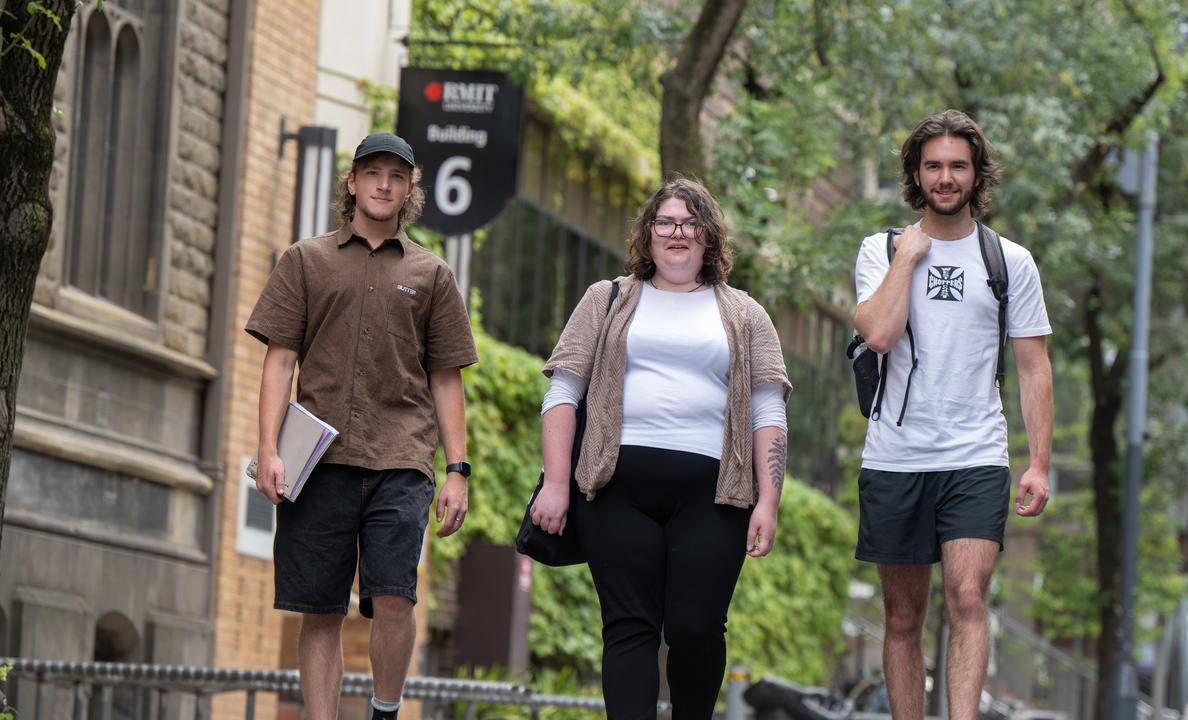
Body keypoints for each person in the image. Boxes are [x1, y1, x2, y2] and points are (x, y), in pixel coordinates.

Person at [532, 177, 791, 719]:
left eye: (691, 223)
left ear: (709, 237)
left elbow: (768, 411)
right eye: (666, 222)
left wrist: (769, 501)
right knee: (629, 628)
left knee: (697, 628)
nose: (678, 233)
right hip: (615, 487)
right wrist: (556, 483)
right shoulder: (607, 299)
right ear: (648, 235)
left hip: (715, 496)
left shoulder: (746, 314)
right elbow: (562, 391)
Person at [246, 132, 477, 720]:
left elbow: (446, 377)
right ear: (351, 182)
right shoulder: (306, 260)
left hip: (401, 459)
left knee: (395, 597)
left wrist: (458, 470)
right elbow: (279, 358)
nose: (383, 184)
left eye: (396, 177)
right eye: (372, 173)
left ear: (409, 190)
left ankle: (384, 710)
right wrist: (267, 448)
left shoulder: (432, 274)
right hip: (317, 461)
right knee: (319, 609)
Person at [851, 109, 1054, 720]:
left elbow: (1033, 366)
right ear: (917, 174)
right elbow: (880, 334)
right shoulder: (879, 250)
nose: (945, 177)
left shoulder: (1010, 261)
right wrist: (908, 259)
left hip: (976, 455)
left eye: (957, 166)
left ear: (976, 174)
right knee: (905, 616)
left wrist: (1039, 463)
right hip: (895, 455)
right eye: (933, 165)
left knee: (968, 598)